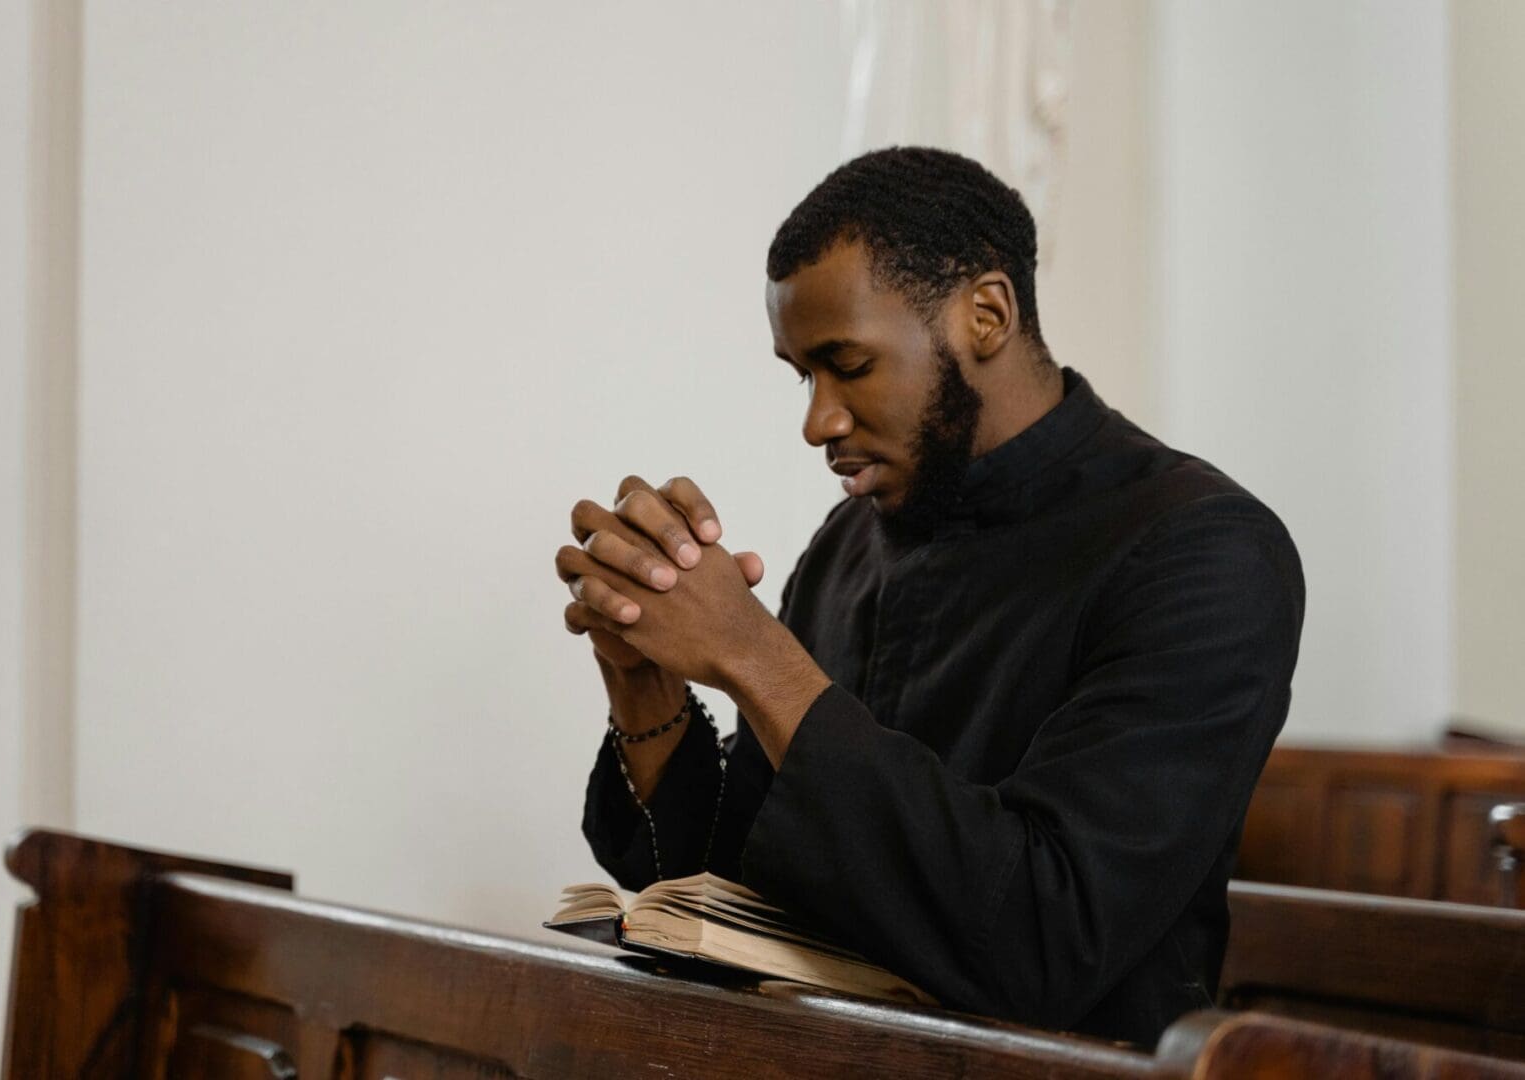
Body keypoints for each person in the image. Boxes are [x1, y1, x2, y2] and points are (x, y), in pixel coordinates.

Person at [554, 147, 1305, 1048]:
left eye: (849, 365)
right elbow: (737, 883)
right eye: (803, 375)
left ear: (985, 314)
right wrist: (644, 680)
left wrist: (755, 656)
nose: (817, 421)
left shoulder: (1202, 551)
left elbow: (1043, 941)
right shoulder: (848, 545)